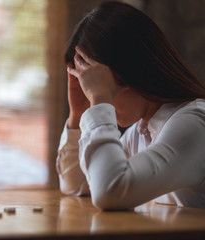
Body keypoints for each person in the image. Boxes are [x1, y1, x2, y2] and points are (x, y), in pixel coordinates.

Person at [56, 1, 205, 210]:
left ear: (127, 73)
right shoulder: (142, 131)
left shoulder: (195, 124)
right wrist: (78, 113)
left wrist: (100, 100)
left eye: (96, 84)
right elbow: (77, 184)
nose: (92, 94)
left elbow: (110, 192)